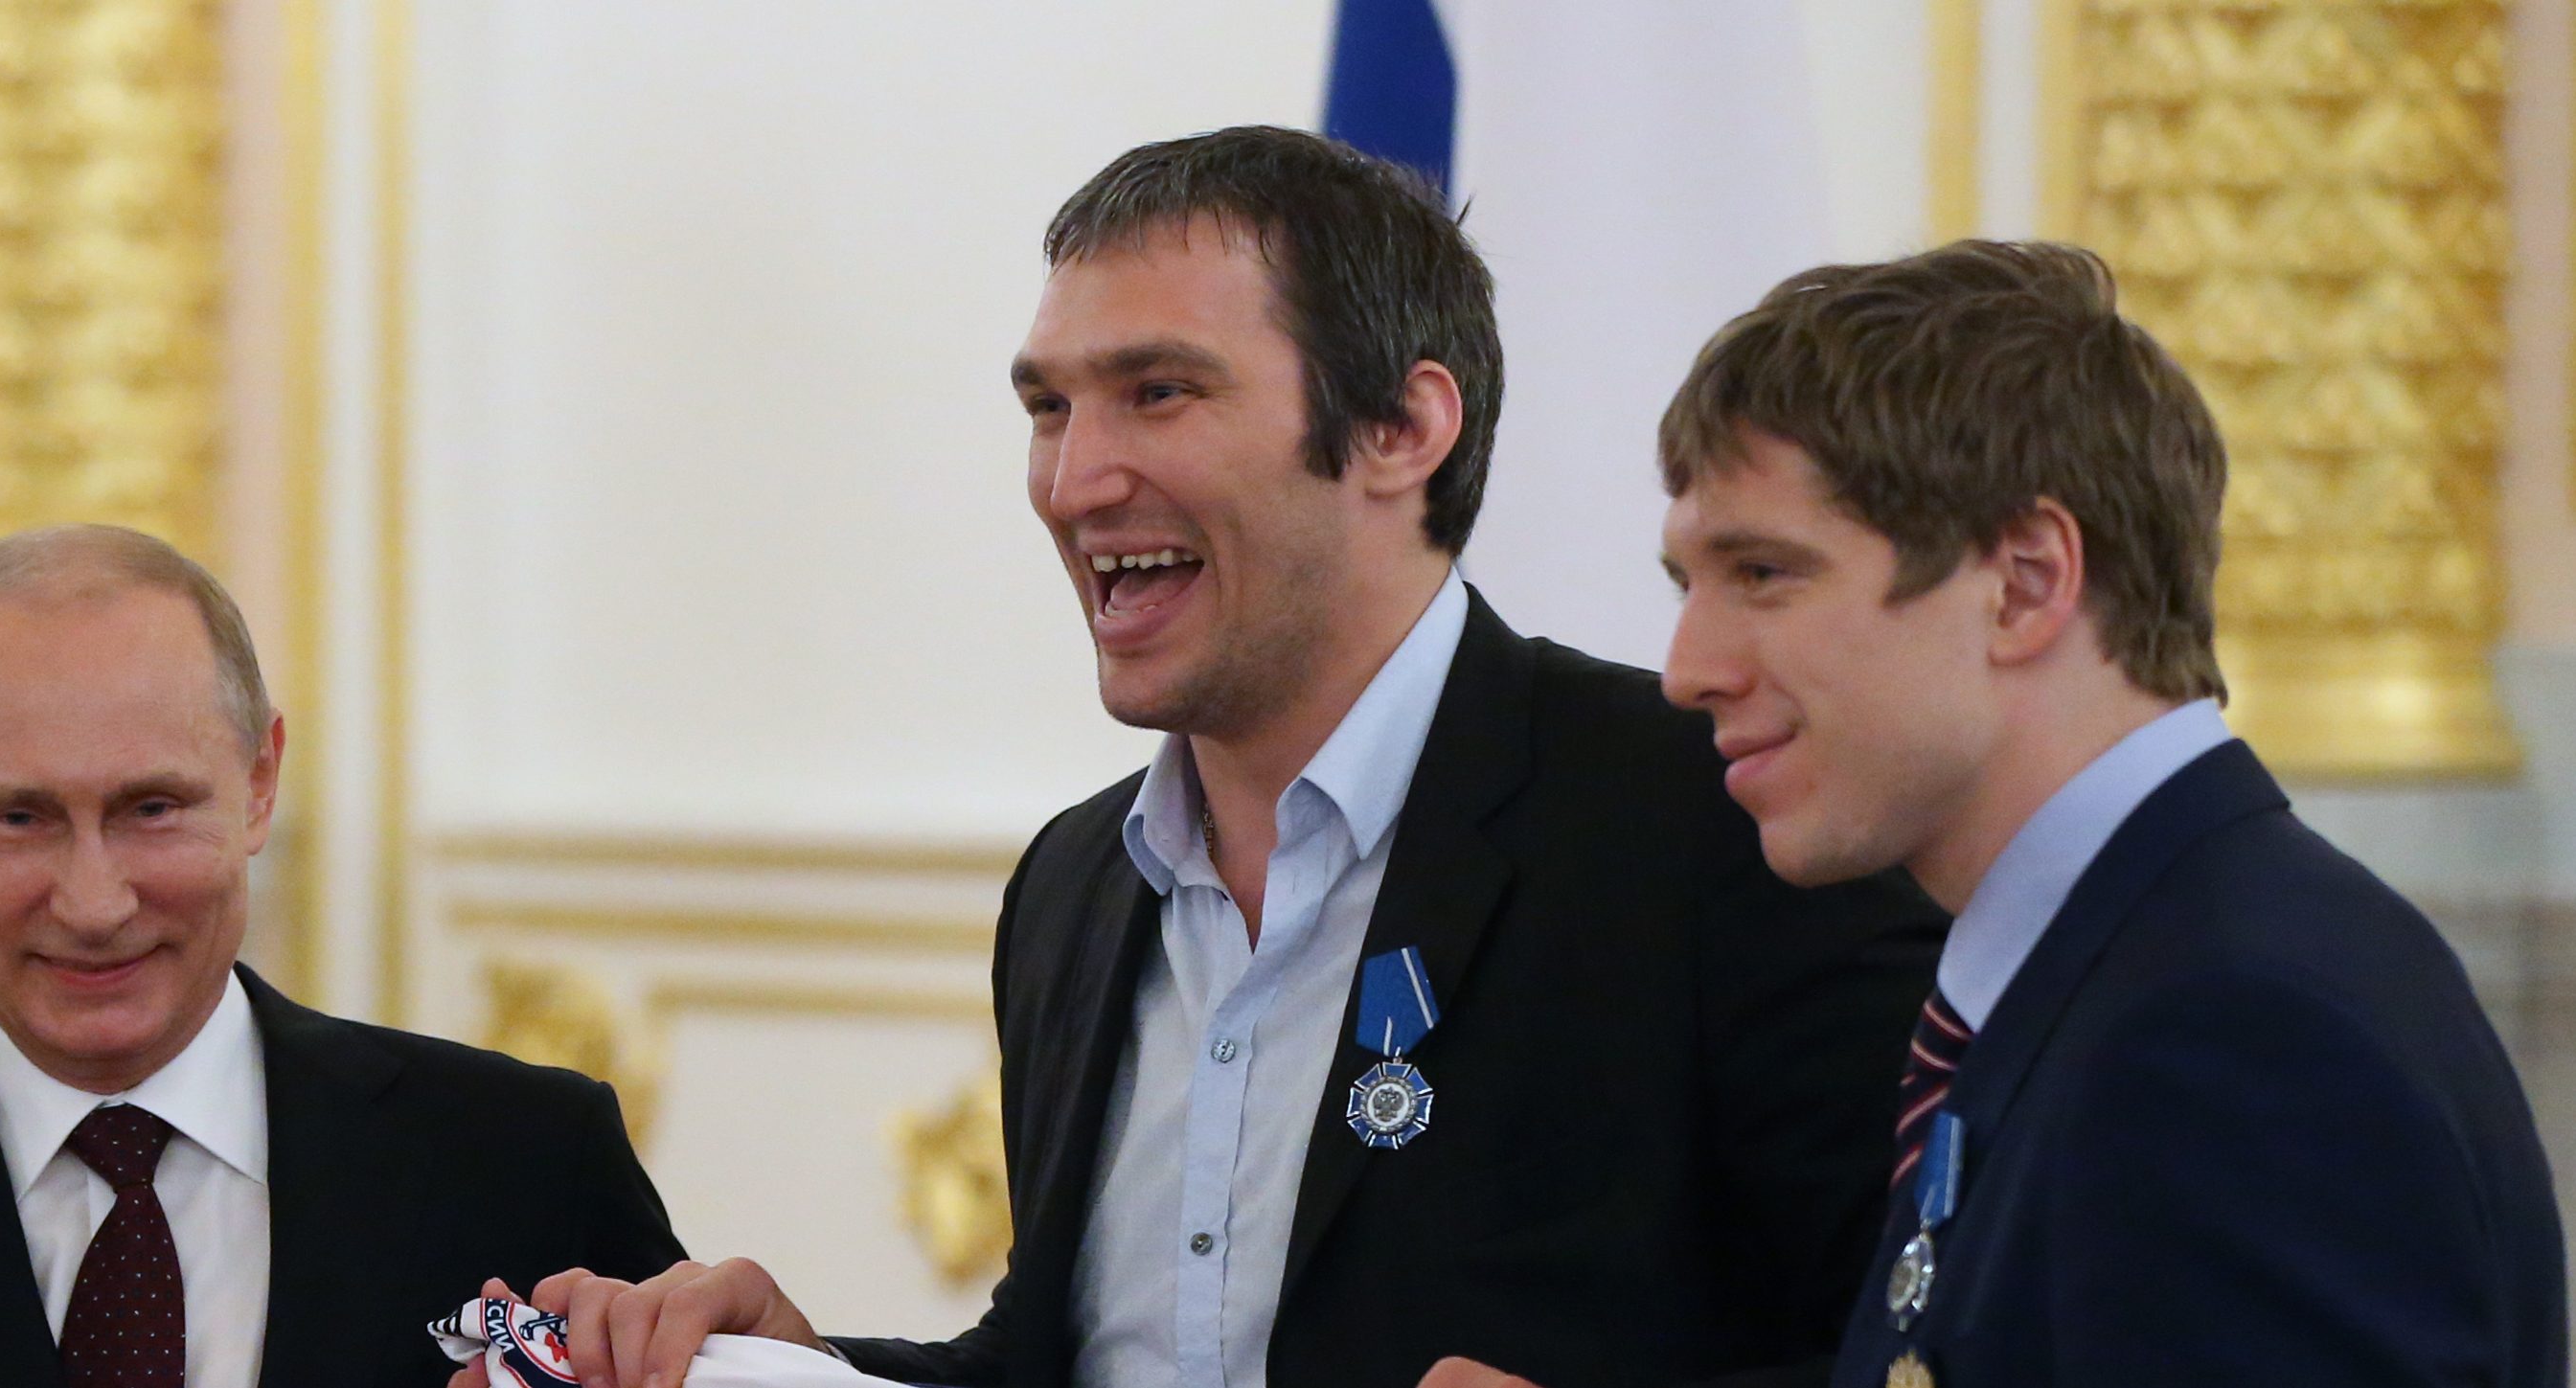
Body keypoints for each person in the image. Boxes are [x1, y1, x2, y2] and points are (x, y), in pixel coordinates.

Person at [507, 126, 1946, 1388]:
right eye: (1046, 407)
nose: (1073, 483)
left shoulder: (1720, 820)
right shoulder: (1074, 886)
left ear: (1399, 427)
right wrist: (800, 1373)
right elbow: (1082, 1358)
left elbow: (1933, 1346)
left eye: (1156, 392)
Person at [1636, 240, 2560, 1385]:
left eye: (1764, 573)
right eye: (1689, 587)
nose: (1687, 670)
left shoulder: (2229, 1031)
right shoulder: (2120, 967)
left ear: (2023, 583)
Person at [0, 524, 686, 1387]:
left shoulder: (526, 1166)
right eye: (17, 818)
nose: (93, 902)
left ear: (260, 780)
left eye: (151, 808)